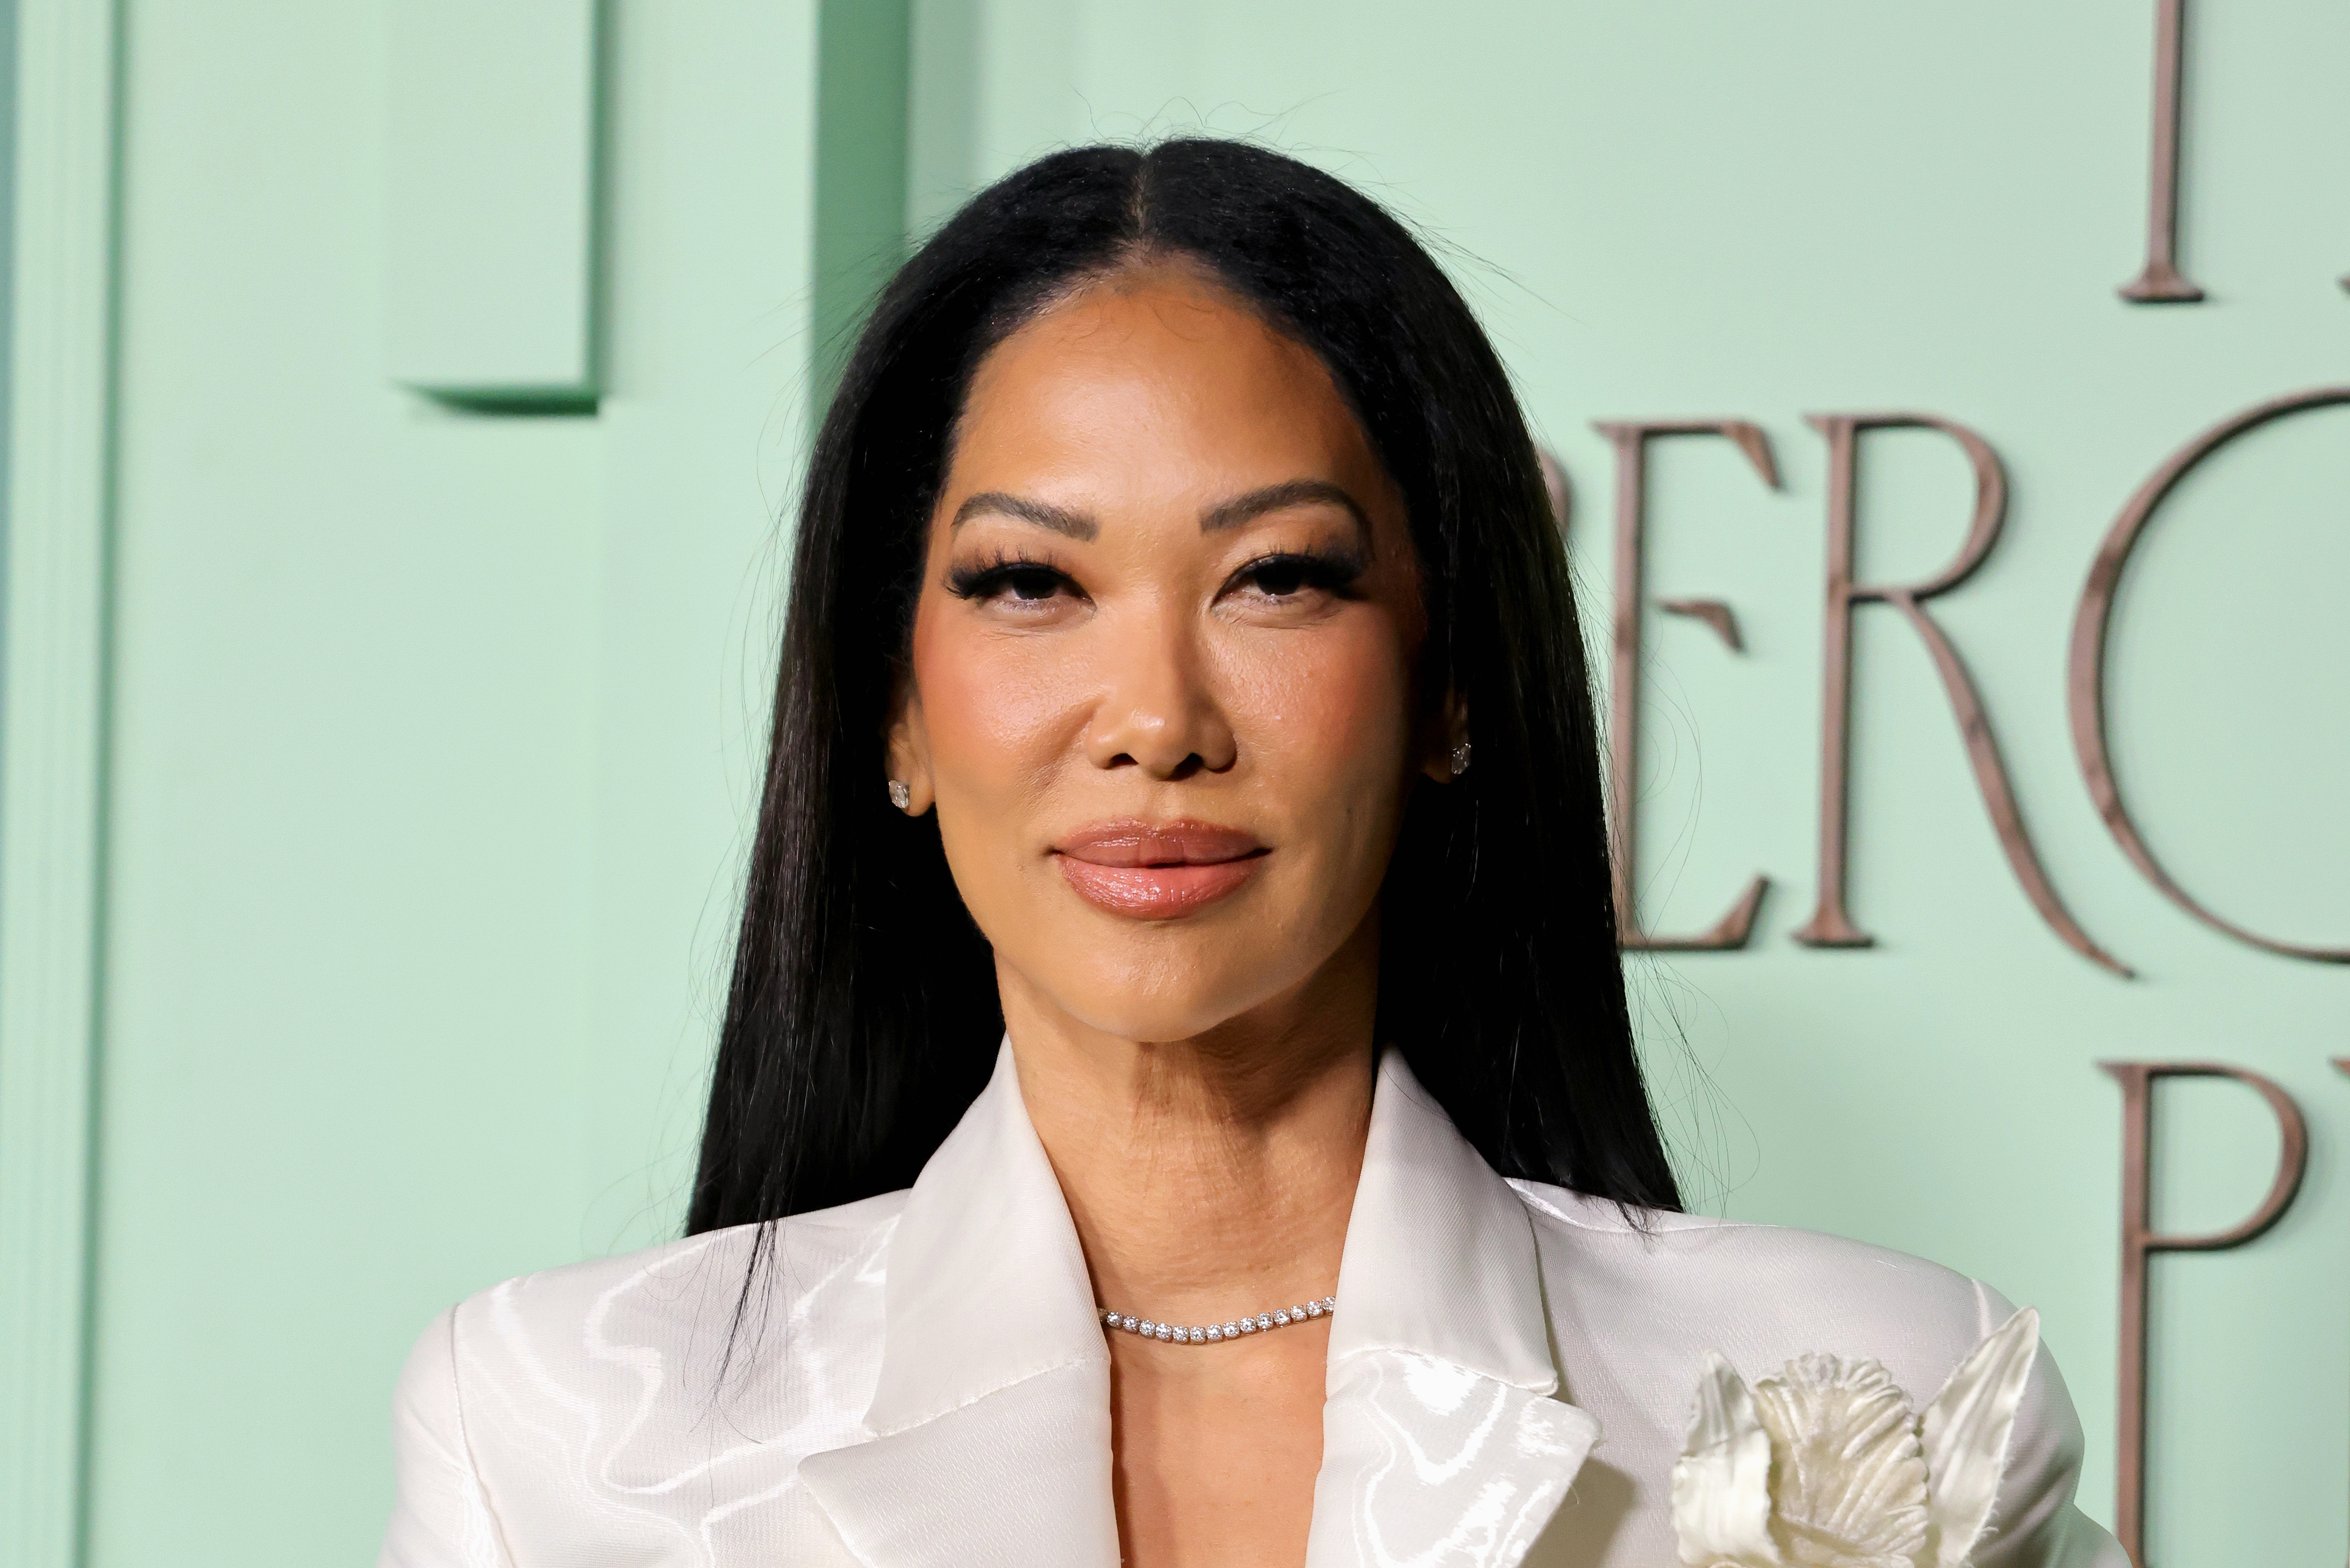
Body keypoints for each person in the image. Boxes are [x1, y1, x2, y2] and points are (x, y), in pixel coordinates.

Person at [379, 139, 2124, 1568]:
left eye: (1278, 578)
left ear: (1448, 692)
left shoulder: (1883, 1407)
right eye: (1027, 585)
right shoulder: (560, 1430)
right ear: (893, 717)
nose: (1157, 717)